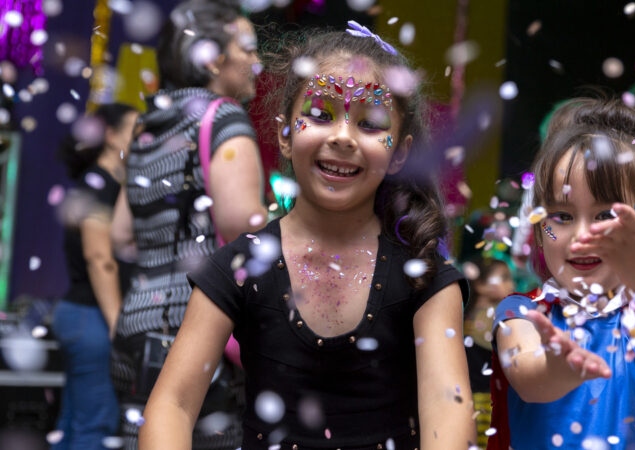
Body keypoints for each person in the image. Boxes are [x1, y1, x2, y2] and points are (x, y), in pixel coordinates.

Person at [138, 24, 476, 449]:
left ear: (399, 154)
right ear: (285, 133)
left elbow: (448, 408)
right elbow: (172, 404)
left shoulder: (425, 277)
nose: (342, 137)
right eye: (320, 114)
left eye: (370, 124)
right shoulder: (239, 269)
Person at [488, 97, 635, 449]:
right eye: (562, 217)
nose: (582, 235)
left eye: (605, 216)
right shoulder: (520, 314)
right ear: (540, 231)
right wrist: (561, 369)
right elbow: (528, 378)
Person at [109, 1, 268, 448]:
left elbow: (122, 234)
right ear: (214, 59)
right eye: (248, 48)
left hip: (135, 324)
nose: (256, 62)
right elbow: (242, 224)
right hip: (197, 329)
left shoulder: (147, 126)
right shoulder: (223, 117)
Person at [52, 103, 138, 449]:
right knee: (96, 427)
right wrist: (117, 323)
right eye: (136, 129)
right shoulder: (98, 185)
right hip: (92, 319)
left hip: (83, 315)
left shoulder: (107, 184)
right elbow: (98, 256)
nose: (143, 137)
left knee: (73, 424)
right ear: (111, 135)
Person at [463, 258, 514, 449]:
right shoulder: (492, 316)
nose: (511, 283)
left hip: (471, 396)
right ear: (481, 285)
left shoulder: (468, 314)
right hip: (484, 399)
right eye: (503, 278)